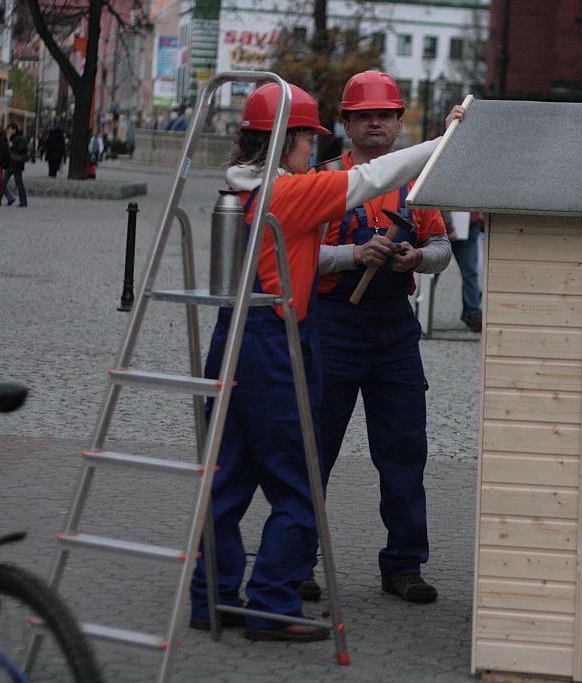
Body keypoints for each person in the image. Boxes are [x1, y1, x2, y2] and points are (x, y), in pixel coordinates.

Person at [186, 80, 464, 642]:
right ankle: (273, 602)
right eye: (306, 139)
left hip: (238, 332)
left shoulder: (239, 187)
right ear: (289, 139)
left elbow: (433, 241)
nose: (312, 148)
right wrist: (447, 138)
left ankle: (211, 598)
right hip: (275, 337)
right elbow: (368, 179)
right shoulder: (293, 192)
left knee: (230, 475)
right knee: (299, 479)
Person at [304, 70, 452, 605]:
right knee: (312, 451)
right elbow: (299, 256)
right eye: (364, 115)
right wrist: (353, 256)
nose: (375, 123)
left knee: (404, 454)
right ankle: (296, 561)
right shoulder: (321, 181)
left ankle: (404, 565)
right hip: (333, 325)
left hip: (394, 332)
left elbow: (441, 248)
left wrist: (418, 258)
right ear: (345, 122)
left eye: (384, 115)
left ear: (398, 119)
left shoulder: (417, 183)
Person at [446, 211, 484, 332]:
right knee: (471, 273)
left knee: (471, 272)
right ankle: (473, 314)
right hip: (448, 226)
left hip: (468, 225)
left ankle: (473, 314)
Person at [3, 124, 28, 207]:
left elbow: (21, 149)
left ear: (14, 130)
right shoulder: (11, 138)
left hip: (17, 164)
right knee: (2, 182)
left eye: (10, 129)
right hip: (9, 164)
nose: (8, 131)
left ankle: (23, 201)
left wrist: (12, 146)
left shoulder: (20, 138)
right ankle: (10, 198)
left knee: (19, 183)